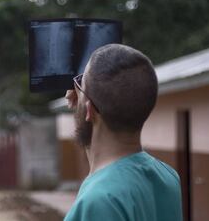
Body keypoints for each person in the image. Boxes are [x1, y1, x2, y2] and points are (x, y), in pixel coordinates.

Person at [64, 44, 183, 221]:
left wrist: (82, 110)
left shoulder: (99, 201)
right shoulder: (168, 176)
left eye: (81, 83)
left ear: (89, 110)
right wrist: (85, 100)